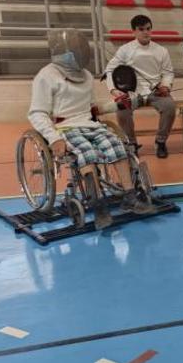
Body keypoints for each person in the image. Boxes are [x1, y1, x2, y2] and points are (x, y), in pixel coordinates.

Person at [28, 29, 152, 226]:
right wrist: (54, 138)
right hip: (64, 127)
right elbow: (36, 113)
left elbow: (92, 108)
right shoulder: (46, 76)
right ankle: (98, 204)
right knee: (87, 154)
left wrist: (119, 103)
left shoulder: (85, 75)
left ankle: (129, 197)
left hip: (89, 124)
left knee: (118, 147)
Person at [104, 14, 175, 159]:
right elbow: (110, 69)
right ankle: (132, 143)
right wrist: (113, 90)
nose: (146, 32)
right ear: (134, 31)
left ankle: (160, 142)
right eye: (141, 29)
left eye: (148, 29)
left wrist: (166, 86)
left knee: (169, 107)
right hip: (132, 92)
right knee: (121, 109)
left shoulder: (161, 51)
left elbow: (168, 73)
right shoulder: (125, 49)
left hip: (155, 91)